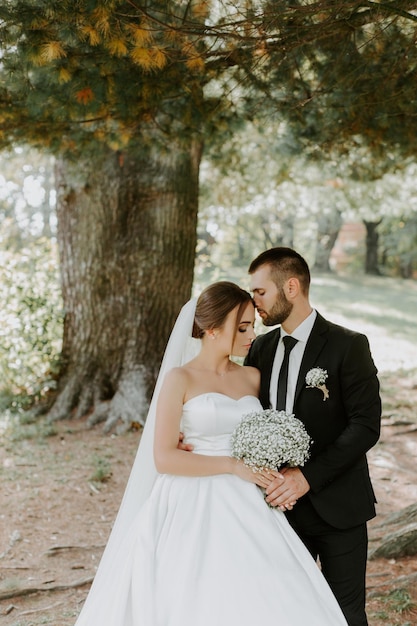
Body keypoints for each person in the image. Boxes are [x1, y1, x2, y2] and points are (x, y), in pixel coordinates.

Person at [73, 280, 348, 626]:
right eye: (243, 327)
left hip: (250, 495)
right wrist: (232, 466)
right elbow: (164, 457)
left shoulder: (252, 377)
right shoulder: (179, 379)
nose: (252, 335)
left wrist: (275, 472)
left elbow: (269, 431)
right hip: (192, 495)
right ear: (212, 329)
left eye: (252, 326)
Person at [244, 247, 381, 626]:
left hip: (338, 507)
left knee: (345, 615)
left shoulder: (348, 345)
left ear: (291, 287)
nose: (253, 302)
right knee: (286, 613)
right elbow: (244, 413)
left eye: (260, 292)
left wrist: (306, 478)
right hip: (277, 509)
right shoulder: (260, 349)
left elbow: (365, 426)